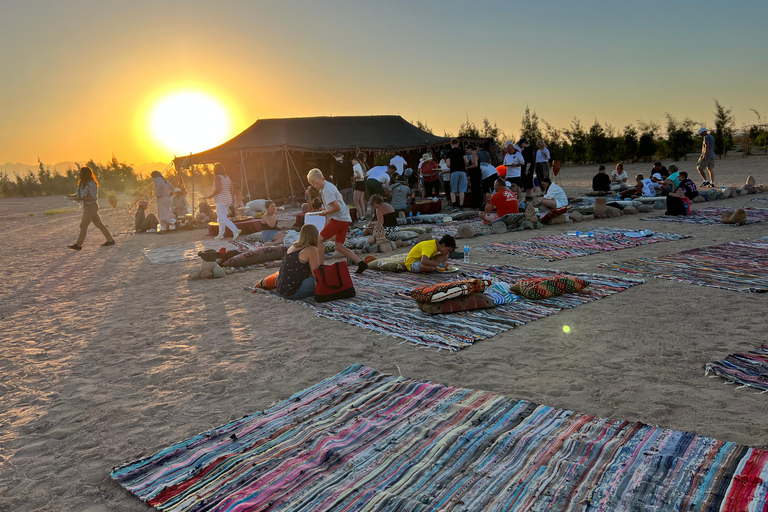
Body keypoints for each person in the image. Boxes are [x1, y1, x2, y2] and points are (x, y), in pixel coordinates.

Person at [307, 168, 367, 273]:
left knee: (319, 239)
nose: (315, 186)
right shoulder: (327, 186)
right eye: (313, 184)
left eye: (316, 183)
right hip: (344, 218)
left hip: (339, 219)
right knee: (339, 246)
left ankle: (321, 266)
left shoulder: (327, 189)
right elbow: (339, 198)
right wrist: (326, 210)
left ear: (322, 178)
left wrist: (327, 212)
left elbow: (337, 207)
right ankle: (361, 263)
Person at [67, 166, 115, 250]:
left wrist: (77, 198)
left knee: (83, 225)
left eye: (81, 173)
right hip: (87, 206)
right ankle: (110, 240)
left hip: (91, 206)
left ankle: (78, 245)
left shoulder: (92, 183)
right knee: (99, 224)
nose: (79, 174)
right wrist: (72, 196)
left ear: (84, 174)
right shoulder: (82, 183)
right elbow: (79, 195)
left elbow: (92, 197)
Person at [274, 224, 322, 300]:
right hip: (294, 291)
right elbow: (316, 273)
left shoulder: (293, 246)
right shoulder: (311, 249)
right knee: (326, 280)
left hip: (282, 289)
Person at [205, 163, 241, 240]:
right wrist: (231, 198)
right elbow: (231, 188)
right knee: (221, 217)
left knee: (221, 217)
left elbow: (218, 189)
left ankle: (235, 230)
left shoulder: (217, 178)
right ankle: (221, 234)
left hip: (221, 200)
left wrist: (210, 196)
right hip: (227, 199)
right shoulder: (227, 177)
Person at [446, 138, 467, 212]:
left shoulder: (449, 153)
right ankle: (461, 206)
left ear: (451, 144)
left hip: (454, 171)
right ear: (458, 144)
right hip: (462, 171)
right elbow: (466, 161)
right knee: (462, 190)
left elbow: (448, 164)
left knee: (453, 190)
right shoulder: (462, 151)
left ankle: (454, 205)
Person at [517, 138, 536, 203]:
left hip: (528, 168)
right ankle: (527, 196)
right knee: (526, 182)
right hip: (524, 168)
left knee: (529, 182)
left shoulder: (529, 150)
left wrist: (527, 170)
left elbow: (529, 161)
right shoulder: (524, 150)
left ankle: (529, 196)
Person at [351, 155, 368, 221]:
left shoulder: (355, 166)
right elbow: (364, 175)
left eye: (352, 161)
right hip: (363, 183)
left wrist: (352, 177)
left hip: (358, 183)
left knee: (356, 201)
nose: (352, 163)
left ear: (355, 160)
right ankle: (363, 216)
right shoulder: (362, 166)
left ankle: (361, 216)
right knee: (361, 201)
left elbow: (358, 175)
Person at [465, 145, 483, 209]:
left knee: (476, 189)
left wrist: (467, 168)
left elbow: (475, 165)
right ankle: (476, 203)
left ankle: (477, 204)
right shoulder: (473, 156)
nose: (466, 152)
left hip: (475, 175)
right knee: (475, 188)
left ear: (471, 149)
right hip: (474, 175)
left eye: (467, 150)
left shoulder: (474, 156)